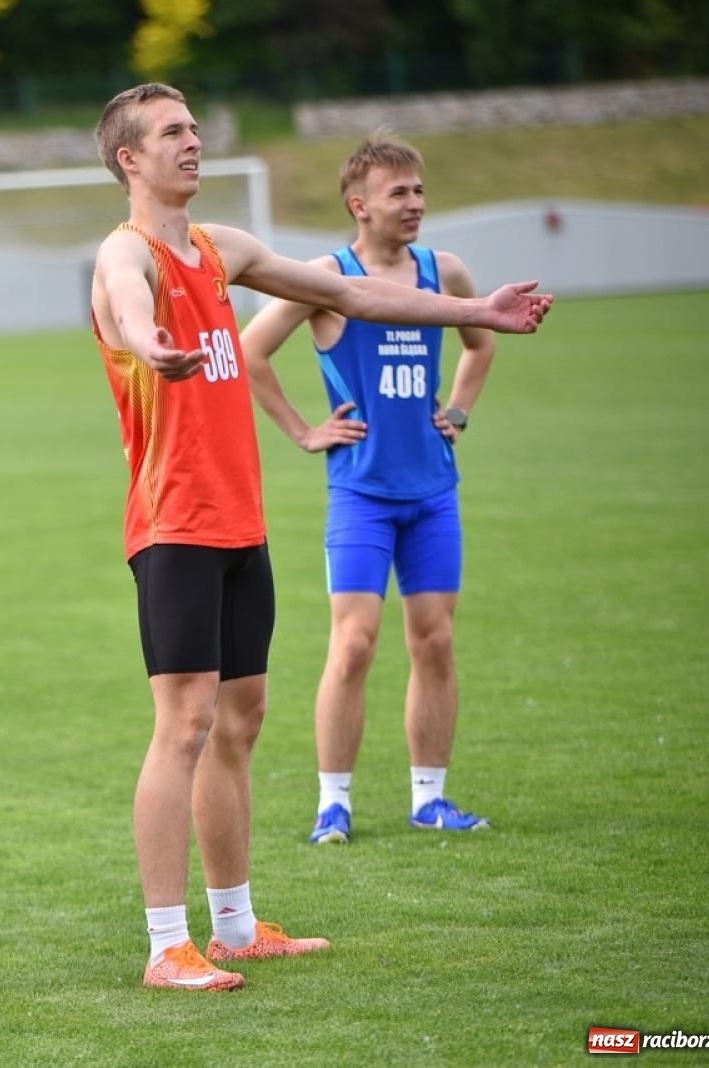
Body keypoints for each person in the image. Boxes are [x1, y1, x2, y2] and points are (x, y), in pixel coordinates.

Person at [88, 84, 551, 991]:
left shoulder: (223, 249)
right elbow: (123, 299)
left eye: (193, 124)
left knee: (239, 722)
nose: (192, 140)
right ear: (129, 161)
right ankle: (163, 947)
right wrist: (149, 344)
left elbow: (346, 290)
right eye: (171, 132)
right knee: (182, 724)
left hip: (239, 524)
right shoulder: (127, 252)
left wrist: (477, 314)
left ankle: (233, 925)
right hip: (173, 525)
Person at [238, 130, 496, 845]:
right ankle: (333, 805)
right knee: (352, 645)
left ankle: (430, 799)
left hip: (433, 492)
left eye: (419, 191)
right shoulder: (328, 277)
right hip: (361, 495)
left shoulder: (444, 270)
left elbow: (481, 340)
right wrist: (302, 431)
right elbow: (252, 351)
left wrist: (460, 409)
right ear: (359, 204)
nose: (415, 204)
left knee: (435, 642)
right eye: (398, 194)